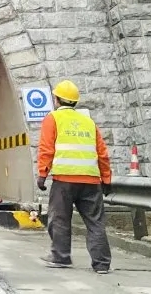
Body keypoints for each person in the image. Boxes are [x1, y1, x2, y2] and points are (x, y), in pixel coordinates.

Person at [37, 80, 112, 274]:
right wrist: (107, 179)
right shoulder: (89, 122)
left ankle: (61, 257)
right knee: (95, 222)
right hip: (91, 181)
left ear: (57, 100)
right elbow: (102, 153)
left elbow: (47, 149)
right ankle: (102, 263)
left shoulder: (52, 119)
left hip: (64, 180)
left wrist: (42, 174)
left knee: (60, 219)